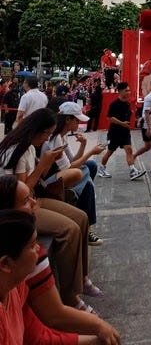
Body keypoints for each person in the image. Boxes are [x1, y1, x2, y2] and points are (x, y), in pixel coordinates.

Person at [0, 108, 102, 309]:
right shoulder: (16, 150)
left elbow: (39, 181)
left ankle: (82, 277)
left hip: (33, 199)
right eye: (46, 133)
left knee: (81, 218)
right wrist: (42, 165)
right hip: (19, 208)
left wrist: (47, 162)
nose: (47, 137)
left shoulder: (29, 147)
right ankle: (69, 295)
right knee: (69, 230)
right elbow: (21, 192)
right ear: (36, 130)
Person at [0, 178, 121, 343]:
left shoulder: (17, 289)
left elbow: (39, 337)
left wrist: (97, 338)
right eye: (32, 245)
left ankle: (78, 287)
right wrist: (97, 325)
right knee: (70, 229)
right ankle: (71, 296)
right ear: (6, 264)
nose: (39, 249)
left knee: (81, 214)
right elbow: (53, 315)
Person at [43, 102, 104, 246]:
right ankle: (86, 226)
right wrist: (91, 152)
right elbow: (70, 167)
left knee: (90, 166)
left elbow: (73, 160)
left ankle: (78, 193)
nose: (79, 123)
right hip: (50, 179)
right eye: (77, 120)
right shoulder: (55, 138)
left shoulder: (62, 137)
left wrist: (83, 145)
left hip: (61, 173)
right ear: (67, 119)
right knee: (87, 179)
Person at [97, 82, 146, 181]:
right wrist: (121, 123)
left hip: (125, 132)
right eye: (126, 90)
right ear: (120, 91)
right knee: (110, 152)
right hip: (115, 132)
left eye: (129, 90)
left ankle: (132, 171)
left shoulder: (127, 103)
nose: (129, 92)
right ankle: (101, 168)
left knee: (129, 150)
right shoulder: (114, 104)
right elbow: (110, 118)